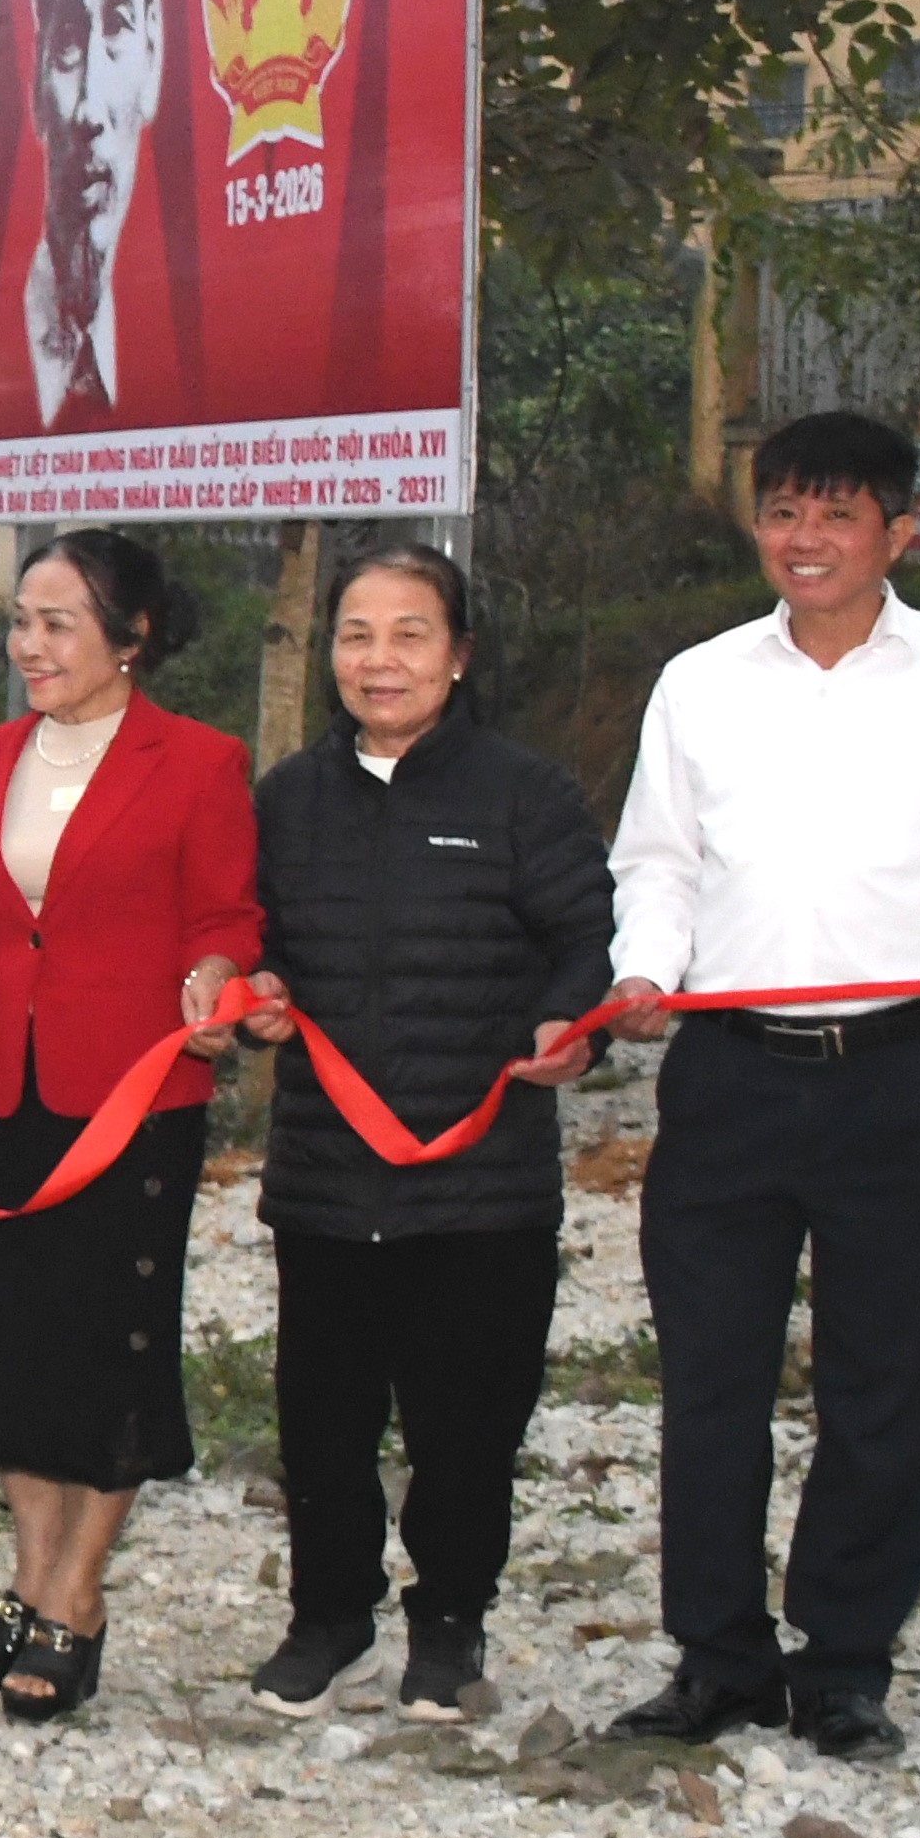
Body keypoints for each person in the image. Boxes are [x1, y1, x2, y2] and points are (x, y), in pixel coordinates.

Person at [600, 411, 920, 1764]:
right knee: (712, 1378)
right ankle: (718, 1658)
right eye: (782, 511)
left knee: (885, 1382)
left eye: (835, 513)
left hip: (900, 1078)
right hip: (729, 1078)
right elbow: (659, 862)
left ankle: (846, 1663)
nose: (803, 538)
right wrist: (644, 970)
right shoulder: (699, 683)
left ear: (899, 533)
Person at [232, 538, 616, 1718]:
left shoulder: (525, 793)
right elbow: (252, 945)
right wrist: (255, 997)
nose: (379, 659)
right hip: (327, 1175)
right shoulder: (289, 797)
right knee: (323, 1421)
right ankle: (329, 1616)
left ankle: (449, 1622)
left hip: (481, 1183)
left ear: (458, 655)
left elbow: (587, 943)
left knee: (468, 1422)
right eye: (357, 634)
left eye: (410, 634)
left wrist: (573, 1026)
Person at [0, 531, 260, 1720]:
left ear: (132, 637)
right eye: (22, 619)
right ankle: (29, 1576)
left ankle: (80, 1592)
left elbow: (225, 917)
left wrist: (216, 980)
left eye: (58, 622)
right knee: (12, 1341)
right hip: (3, 1091)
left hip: (132, 1096)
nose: (30, 644)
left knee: (107, 1342)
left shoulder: (200, 762)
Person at [21, 0, 166, 433]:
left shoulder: (161, 352)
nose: (88, 108)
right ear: (35, 85)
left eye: (119, 24)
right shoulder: (14, 368)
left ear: (154, 57)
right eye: (68, 42)